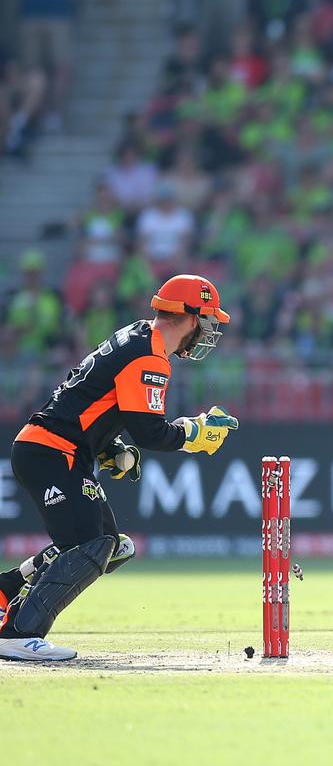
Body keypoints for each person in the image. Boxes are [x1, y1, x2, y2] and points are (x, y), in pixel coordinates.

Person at [0, 274, 239, 661]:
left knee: (113, 545)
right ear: (192, 317)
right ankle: (19, 632)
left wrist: (111, 446)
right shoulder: (150, 355)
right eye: (209, 321)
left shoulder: (137, 335)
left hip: (53, 449)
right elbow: (150, 430)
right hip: (52, 451)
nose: (208, 332)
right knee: (92, 543)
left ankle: (5, 590)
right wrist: (195, 432)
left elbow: (95, 400)